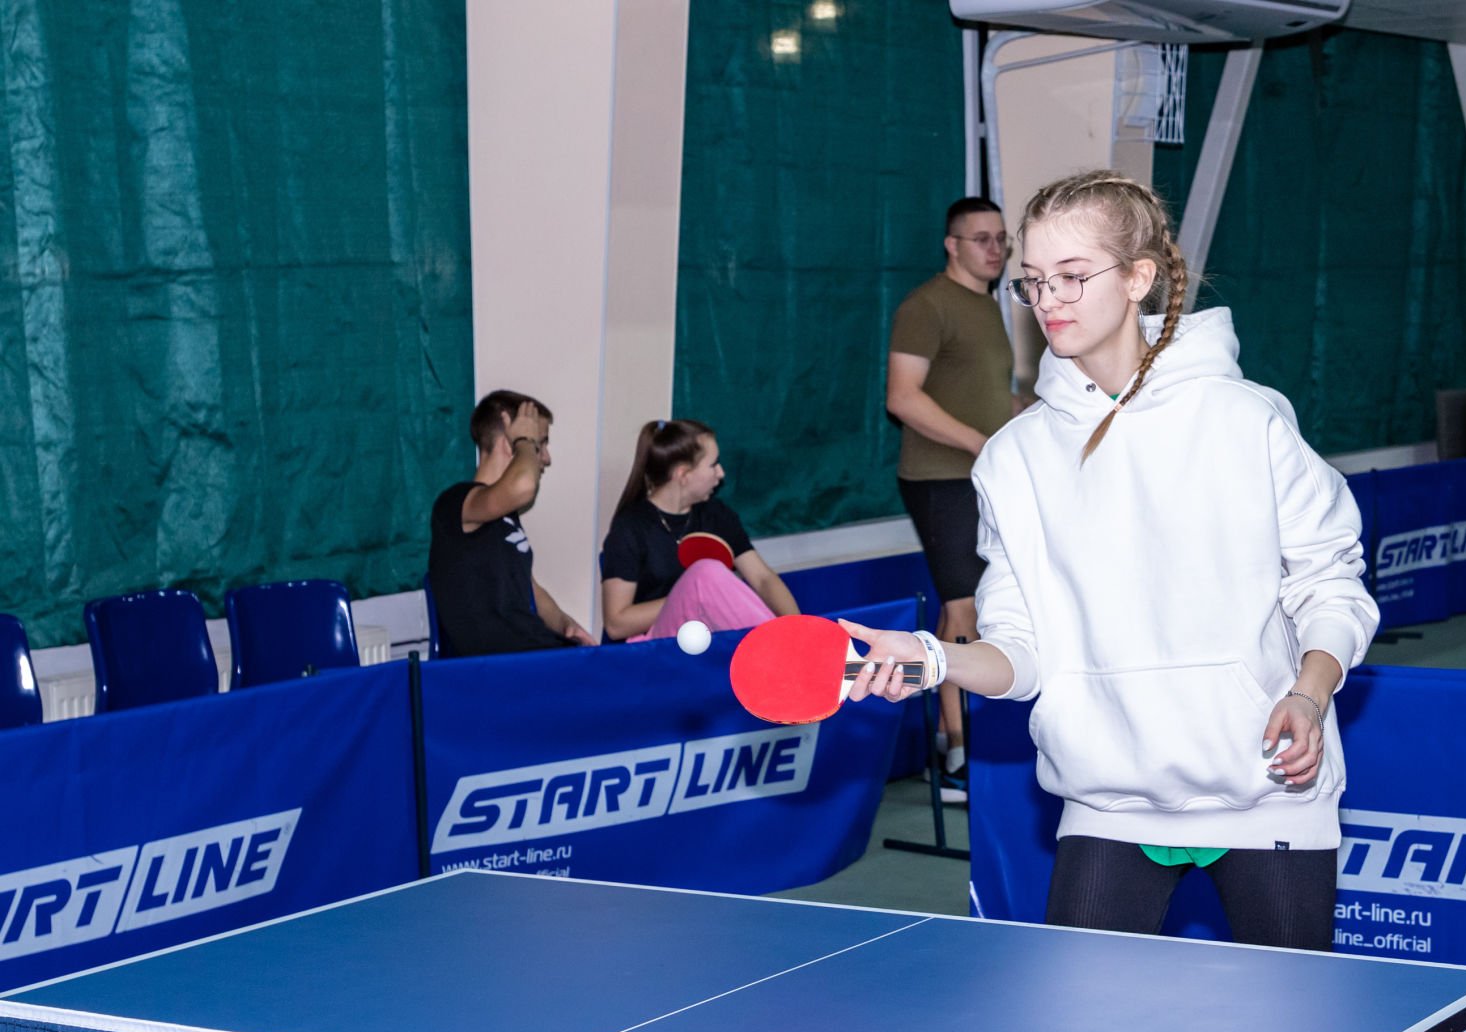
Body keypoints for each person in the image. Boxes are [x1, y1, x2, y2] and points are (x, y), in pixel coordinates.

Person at [847, 170, 1379, 951]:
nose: (1048, 299)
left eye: (1072, 276)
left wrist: (1309, 689)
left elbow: (1330, 583)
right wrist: (933, 659)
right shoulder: (1012, 459)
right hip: (1106, 800)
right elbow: (1023, 650)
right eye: (1033, 281)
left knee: (1292, 1024)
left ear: (1137, 278)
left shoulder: (1245, 418)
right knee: (1077, 1025)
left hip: (1266, 784)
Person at [886, 196, 1016, 797]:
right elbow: (902, 397)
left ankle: (949, 742)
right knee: (964, 610)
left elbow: (988, 395)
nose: (995, 249)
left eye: (1001, 238)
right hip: (941, 479)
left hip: (981, 478)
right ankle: (962, 758)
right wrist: (979, 443)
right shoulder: (926, 306)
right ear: (952, 245)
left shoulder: (987, 306)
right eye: (981, 239)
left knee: (963, 608)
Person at [428, 390, 596, 656]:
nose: (546, 458)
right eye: (540, 445)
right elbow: (523, 486)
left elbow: (531, 588)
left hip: (531, 652)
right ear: (510, 440)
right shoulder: (455, 503)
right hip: (499, 664)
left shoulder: (505, 517)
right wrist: (525, 440)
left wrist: (566, 625)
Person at [600, 419, 799, 642]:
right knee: (705, 572)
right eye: (713, 465)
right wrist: (690, 596)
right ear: (683, 475)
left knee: (708, 578)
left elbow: (763, 578)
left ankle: (792, 644)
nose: (721, 473)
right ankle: (782, 650)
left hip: (708, 640)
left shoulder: (717, 514)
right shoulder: (630, 527)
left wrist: (798, 626)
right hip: (655, 645)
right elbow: (616, 624)